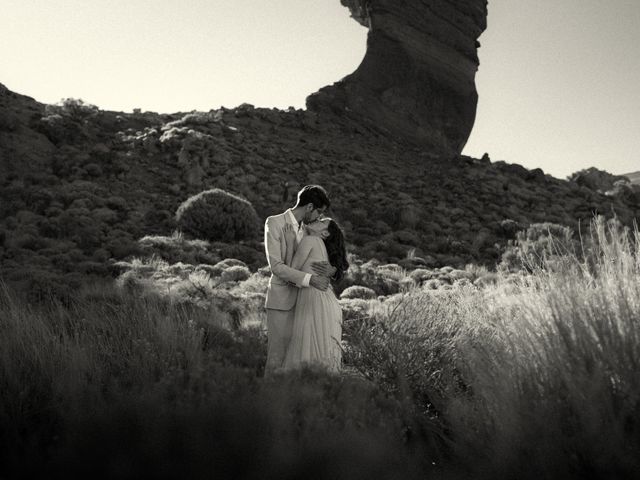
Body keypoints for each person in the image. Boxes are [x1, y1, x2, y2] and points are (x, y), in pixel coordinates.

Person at [263, 185, 336, 375]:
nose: (320, 218)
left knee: (297, 365)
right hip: (282, 302)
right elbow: (277, 267)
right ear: (310, 207)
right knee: (276, 360)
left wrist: (332, 269)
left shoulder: (311, 230)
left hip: (306, 305)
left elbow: (335, 253)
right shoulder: (275, 222)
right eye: (319, 212)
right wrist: (310, 279)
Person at [283, 218, 349, 372]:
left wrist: (289, 241)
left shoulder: (311, 240)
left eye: (322, 222)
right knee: (323, 359)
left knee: (305, 355)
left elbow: (290, 271)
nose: (317, 220)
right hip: (328, 303)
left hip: (314, 300)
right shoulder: (318, 244)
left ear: (325, 233)